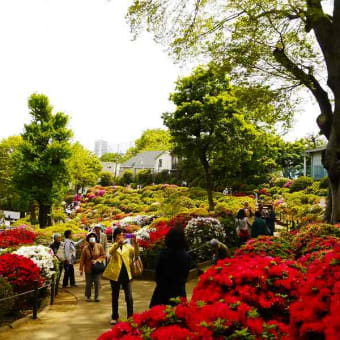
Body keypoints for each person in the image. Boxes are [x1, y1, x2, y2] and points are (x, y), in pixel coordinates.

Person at [103, 228, 139, 325]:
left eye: (123, 234)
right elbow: (110, 252)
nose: (121, 236)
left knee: (129, 297)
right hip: (115, 274)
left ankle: (130, 316)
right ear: (115, 236)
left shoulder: (128, 246)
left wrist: (136, 244)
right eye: (119, 234)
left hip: (126, 274)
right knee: (115, 296)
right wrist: (118, 243)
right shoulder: (114, 245)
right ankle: (115, 316)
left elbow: (135, 255)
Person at [150, 227, 191, 308]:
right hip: (179, 293)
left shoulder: (163, 254)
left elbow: (157, 273)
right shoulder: (186, 256)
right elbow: (185, 275)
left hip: (162, 293)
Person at [79, 232, 105, 302]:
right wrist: (81, 269)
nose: (92, 238)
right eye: (91, 237)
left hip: (97, 267)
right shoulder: (85, 248)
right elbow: (82, 259)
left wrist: (97, 260)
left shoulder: (99, 246)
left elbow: (103, 255)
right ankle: (88, 296)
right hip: (88, 268)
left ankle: (97, 296)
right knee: (88, 283)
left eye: (93, 237)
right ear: (88, 239)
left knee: (97, 283)